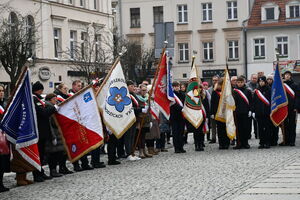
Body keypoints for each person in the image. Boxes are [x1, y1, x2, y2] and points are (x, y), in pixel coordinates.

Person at [32, 81, 57, 182]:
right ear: (39, 90)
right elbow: (42, 113)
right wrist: (53, 108)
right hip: (39, 130)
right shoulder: (34, 99)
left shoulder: (37, 99)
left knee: (42, 154)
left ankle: (40, 172)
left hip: (42, 131)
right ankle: (37, 174)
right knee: (39, 154)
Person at [44, 93, 64, 178]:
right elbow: (50, 123)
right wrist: (53, 137)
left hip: (57, 133)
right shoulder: (49, 108)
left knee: (57, 154)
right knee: (52, 155)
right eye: (54, 99)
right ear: (50, 100)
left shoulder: (54, 107)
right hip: (52, 134)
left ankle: (56, 169)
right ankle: (53, 170)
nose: (56, 100)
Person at [233, 76, 252, 149]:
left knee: (245, 128)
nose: (240, 84)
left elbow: (251, 101)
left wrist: (250, 110)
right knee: (238, 129)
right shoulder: (234, 91)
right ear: (236, 83)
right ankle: (239, 143)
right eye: (238, 82)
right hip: (237, 112)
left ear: (244, 82)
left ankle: (245, 143)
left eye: (241, 82)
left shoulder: (248, 91)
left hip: (245, 112)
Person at [252, 76, 272, 149]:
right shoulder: (256, 91)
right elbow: (253, 102)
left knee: (267, 128)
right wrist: (253, 111)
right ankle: (261, 143)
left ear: (265, 82)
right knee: (260, 128)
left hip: (267, 112)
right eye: (260, 81)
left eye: (262, 81)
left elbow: (271, 101)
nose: (261, 83)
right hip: (259, 113)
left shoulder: (269, 90)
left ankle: (267, 142)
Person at [124, 80, 142, 161]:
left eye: (134, 86)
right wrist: (140, 110)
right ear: (127, 87)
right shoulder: (126, 96)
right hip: (128, 118)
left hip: (135, 118)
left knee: (132, 136)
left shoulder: (133, 95)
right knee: (128, 137)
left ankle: (132, 152)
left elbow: (137, 104)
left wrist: (141, 108)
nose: (133, 88)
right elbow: (128, 108)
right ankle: (128, 153)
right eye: (131, 86)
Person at [211, 79, 230, 149]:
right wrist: (212, 113)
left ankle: (226, 143)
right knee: (219, 129)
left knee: (226, 129)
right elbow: (212, 103)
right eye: (218, 85)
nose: (219, 86)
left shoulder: (226, 93)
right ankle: (221, 144)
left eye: (220, 85)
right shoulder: (214, 92)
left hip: (226, 113)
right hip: (218, 113)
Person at [282, 71, 298, 146]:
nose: (287, 76)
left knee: (292, 125)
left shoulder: (294, 85)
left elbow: (297, 97)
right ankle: (286, 140)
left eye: (288, 75)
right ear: (284, 76)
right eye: (286, 75)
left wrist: (296, 107)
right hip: (284, 107)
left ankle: (292, 141)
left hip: (292, 108)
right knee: (285, 125)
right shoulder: (282, 85)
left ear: (290, 76)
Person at [136, 84, 152, 158]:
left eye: (145, 90)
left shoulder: (147, 98)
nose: (144, 92)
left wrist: (150, 120)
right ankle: (140, 151)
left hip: (146, 119)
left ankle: (145, 151)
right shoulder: (137, 98)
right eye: (142, 90)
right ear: (139, 90)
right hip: (140, 119)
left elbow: (150, 109)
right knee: (140, 136)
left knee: (144, 136)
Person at [170, 81, 186, 153]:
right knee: (175, 133)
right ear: (173, 87)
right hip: (174, 116)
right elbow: (173, 104)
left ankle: (181, 147)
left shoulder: (182, 94)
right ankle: (176, 148)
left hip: (181, 116)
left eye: (178, 86)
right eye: (175, 86)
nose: (177, 87)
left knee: (181, 132)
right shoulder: (171, 95)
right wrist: (181, 108)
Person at [0, 84, 10, 192]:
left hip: (3, 137)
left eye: (2, 90)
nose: (1, 92)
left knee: (2, 161)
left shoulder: (4, 104)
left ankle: (1, 183)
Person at [266, 75, 279, 146]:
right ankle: (270, 140)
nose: (269, 81)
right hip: (268, 109)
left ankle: (275, 140)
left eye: (270, 79)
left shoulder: (276, 87)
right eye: (268, 79)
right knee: (269, 126)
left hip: (275, 109)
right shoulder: (266, 88)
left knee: (275, 125)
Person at [208, 75, 219, 144]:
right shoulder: (209, 90)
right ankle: (213, 138)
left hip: (219, 109)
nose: (214, 81)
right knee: (213, 125)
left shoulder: (221, 88)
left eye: (216, 80)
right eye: (213, 80)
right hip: (212, 109)